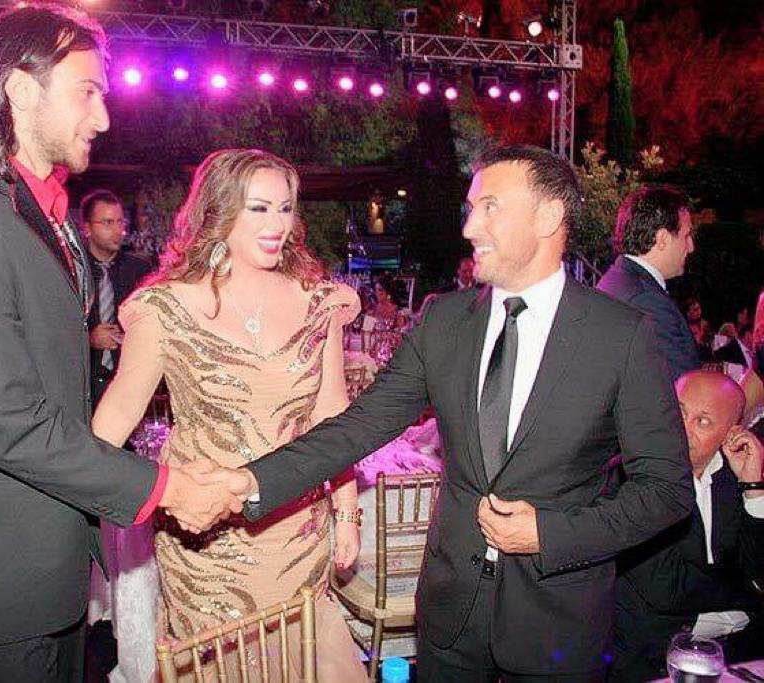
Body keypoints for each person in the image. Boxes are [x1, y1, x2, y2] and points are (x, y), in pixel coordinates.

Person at [213, 144, 695, 680]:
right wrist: (249, 482)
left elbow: (667, 489)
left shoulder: (620, 335)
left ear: (548, 216)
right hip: (450, 616)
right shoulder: (445, 321)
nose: (469, 227)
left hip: (557, 625)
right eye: (471, 208)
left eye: (489, 207)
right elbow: (359, 426)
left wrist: (550, 534)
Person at [0, 7, 240, 682]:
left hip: (41, 559)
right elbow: (7, 419)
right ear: (20, 89)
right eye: (87, 91)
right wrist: (163, 487)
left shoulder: (34, 209)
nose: (103, 117)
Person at [92, 148, 366, 681]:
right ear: (219, 211)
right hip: (206, 540)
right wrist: (72, 499)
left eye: (285, 208)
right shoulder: (166, 307)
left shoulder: (319, 302)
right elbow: (117, 417)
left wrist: (348, 513)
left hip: (297, 532)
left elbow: (333, 418)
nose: (276, 224)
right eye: (258, 208)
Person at [612, 370, 764, 681]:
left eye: (702, 421)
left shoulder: (735, 474)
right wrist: (752, 594)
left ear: (731, 434)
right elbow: (666, 588)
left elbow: (760, 567)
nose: (682, 429)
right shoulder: (629, 475)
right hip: (643, 661)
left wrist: (754, 488)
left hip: (734, 656)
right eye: (677, 412)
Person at [597, 184, 700, 383]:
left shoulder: (621, 280)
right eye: (686, 236)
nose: (691, 247)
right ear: (662, 239)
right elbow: (682, 388)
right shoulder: (647, 300)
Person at [80, 189, 152, 406]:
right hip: (84, 386)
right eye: (107, 223)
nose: (118, 230)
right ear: (87, 228)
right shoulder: (74, 271)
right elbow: (54, 329)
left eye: (120, 222)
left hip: (128, 383)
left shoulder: (139, 270)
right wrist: (88, 339)